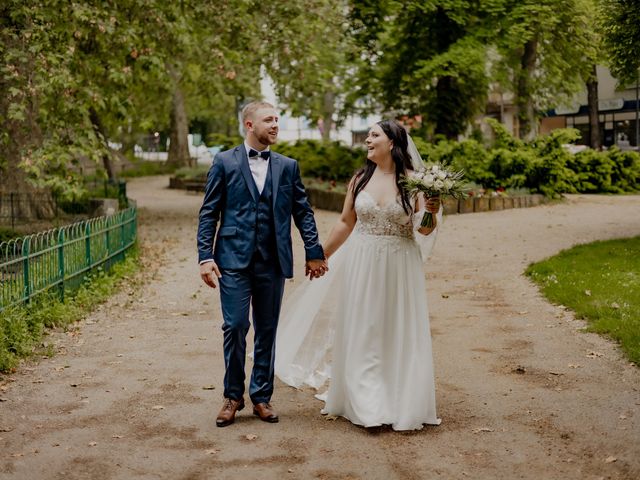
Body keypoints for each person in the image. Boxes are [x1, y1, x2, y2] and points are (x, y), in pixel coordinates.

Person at [275, 119, 441, 430]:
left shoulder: (414, 182)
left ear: (391, 142)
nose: (367, 140)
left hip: (399, 264)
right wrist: (319, 254)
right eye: (368, 135)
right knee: (363, 326)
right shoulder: (360, 179)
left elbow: (424, 228)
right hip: (363, 261)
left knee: (395, 326)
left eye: (374, 135)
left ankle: (398, 399)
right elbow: (345, 223)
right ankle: (366, 403)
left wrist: (431, 209)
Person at [197, 100, 327, 427]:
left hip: (273, 259)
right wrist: (205, 256)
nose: (275, 125)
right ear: (249, 125)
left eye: (277, 120)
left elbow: (303, 211)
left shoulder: (288, 166)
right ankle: (232, 395)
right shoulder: (224, 162)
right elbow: (209, 212)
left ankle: (261, 396)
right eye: (268, 120)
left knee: (268, 329)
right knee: (236, 326)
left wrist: (314, 250)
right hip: (232, 260)